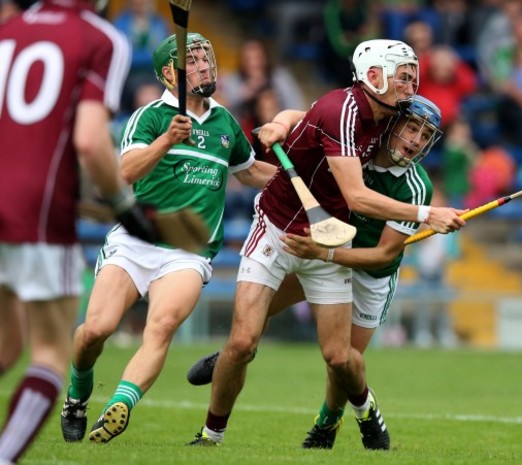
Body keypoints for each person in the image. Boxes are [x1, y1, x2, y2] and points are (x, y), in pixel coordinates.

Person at [186, 38, 466, 450]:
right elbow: (325, 140)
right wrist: (282, 123)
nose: (416, 138)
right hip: (288, 231)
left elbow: (386, 254)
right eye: (403, 79)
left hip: (352, 257)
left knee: (341, 359)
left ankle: (351, 413)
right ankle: (216, 418)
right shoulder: (351, 114)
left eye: (425, 135)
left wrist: (328, 252)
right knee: (245, 338)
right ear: (375, 76)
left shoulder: (398, 154)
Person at [57, 32, 278, 445]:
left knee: (160, 328)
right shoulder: (151, 117)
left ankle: (119, 404)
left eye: (205, 59)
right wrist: (166, 141)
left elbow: (248, 171)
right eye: (191, 62)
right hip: (135, 242)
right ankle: (77, 395)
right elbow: (123, 174)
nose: (203, 67)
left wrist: (297, 182)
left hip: (189, 252)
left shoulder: (225, 121)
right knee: (95, 330)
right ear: (167, 74)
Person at [0, 0, 162, 462]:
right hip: (36, 208)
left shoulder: (9, 30)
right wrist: (123, 207)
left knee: (6, 346)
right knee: (50, 354)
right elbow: (91, 141)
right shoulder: (100, 38)